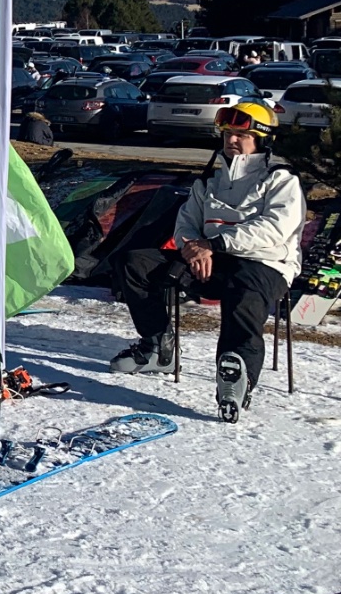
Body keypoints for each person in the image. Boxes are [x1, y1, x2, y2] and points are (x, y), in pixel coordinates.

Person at [109, 101, 304, 420]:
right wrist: (191, 247)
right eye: (227, 134)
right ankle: (159, 347)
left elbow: (274, 229)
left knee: (243, 291)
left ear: (261, 139)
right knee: (133, 262)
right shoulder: (209, 181)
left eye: (241, 135)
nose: (231, 140)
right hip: (209, 260)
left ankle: (236, 376)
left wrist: (212, 244)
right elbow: (185, 223)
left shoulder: (281, 181)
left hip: (265, 264)